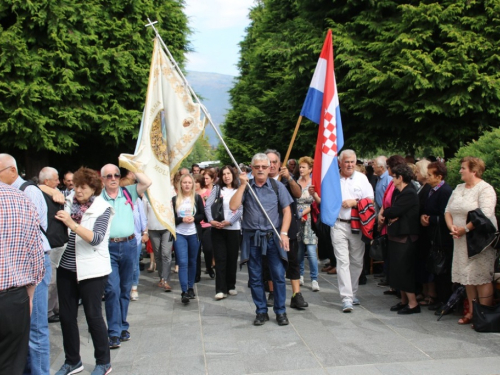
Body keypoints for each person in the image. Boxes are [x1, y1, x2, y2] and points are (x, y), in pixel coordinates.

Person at [0, 153, 60, 375]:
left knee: (35, 328)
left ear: (12, 170)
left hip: (27, 273)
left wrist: (31, 290)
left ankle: (40, 371)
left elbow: (35, 236)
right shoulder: (17, 196)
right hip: (21, 278)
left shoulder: (28, 192)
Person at [52, 167, 115, 375]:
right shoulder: (68, 201)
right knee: (67, 316)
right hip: (66, 267)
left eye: (83, 187)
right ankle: (73, 361)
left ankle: (104, 362)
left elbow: (96, 238)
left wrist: (72, 223)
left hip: (92, 269)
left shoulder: (103, 208)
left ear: (93, 188)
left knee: (93, 315)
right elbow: (45, 188)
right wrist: (52, 190)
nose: (78, 190)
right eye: (76, 186)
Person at [230, 153, 293, 326]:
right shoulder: (247, 186)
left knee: (278, 275)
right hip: (252, 238)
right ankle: (261, 311)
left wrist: (284, 233)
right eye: (256, 167)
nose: (260, 170)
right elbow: (233, 206)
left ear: (269, 168)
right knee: (255, 277)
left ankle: (280, 311)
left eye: (264, 167)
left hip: (273, 237)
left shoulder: (277, 186)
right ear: (252, 168)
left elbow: (287, 211)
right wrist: (242, 186)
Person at [100, 163, 151, 349]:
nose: (113, 178)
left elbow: (147, 181)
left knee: (125, 288)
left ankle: (122, 326)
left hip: (130, 244)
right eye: (108, 176)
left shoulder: (128, 191)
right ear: (102, 179)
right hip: (108, 247)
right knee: (112, 289)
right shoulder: (99, 198)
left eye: (116, 175)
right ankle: (113, 332)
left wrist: (131, 165)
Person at [445, 157, 497, 325]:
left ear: (474, 171)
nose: (460, 171)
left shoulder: (485, 189)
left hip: (478, 242)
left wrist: (465, 229)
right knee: (468, 277)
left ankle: (483, 314)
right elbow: (447, 210)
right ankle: (472, 312)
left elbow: (485, 214)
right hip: (459, 239)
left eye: (463, 168)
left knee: (480, 277)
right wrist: (452, 226)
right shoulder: (459, 188)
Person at [0, 183, 44, 375]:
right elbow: (35, 252)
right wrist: (31, 296)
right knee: (11, 366)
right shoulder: (19, 198)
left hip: (13, 295)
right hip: (13, 299)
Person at [330, 150, 374, 312]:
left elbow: (370, 199)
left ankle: (352, 292)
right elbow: (325, 199)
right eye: (346, 161)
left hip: (357, 225)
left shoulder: (362, 179)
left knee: (356, 261)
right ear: (340, 163)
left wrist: (354, 202)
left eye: (352, 162)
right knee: (342, 261)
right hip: (338, 224)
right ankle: (346, 297)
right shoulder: (333, 178)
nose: (349, 164)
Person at [382, 164, 421, 315]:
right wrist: (390, 214)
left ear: (400, 178)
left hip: (406, 237)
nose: (392, 179)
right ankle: (404, 300)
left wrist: (389, 213)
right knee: (397, 270)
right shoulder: (400, 192)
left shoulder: (409, 193)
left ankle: (413, 303)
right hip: (397, 235)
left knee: (404, 270)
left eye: (394, 177)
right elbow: (392, 211)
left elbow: (394, 210)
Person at [205, 166, 243, 299]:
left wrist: (230, 221)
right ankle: (220, 289)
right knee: (220, 259)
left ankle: (231, 285)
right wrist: (211, 221)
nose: (226, 176)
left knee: (232, 259)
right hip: (218, 229)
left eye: (228, 173)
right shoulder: (217, 189)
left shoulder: (239, 189)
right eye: (224, 174)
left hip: (233, 229)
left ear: (233, 175)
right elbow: (208, 205)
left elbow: (240, 209)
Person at [421, 161, 453, 312]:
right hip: (433, 234)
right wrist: (424, 217)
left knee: (443, 269)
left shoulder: (445, 191)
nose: (427, 178)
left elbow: (444, 214)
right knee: (436, 269)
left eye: (429, 175)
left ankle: (445, 299)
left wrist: (430, 219)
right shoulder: (431, 190)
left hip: (442, 237)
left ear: (439, 176)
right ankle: (439, 298)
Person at [172, 174, 205, 304]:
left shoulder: (197, 198)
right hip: (180, 233)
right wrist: (181, 219)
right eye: (184, 182)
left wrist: (194, 218)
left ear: (193, 185)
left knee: (192, 261)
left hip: (194, 233)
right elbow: (171, 219)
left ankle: (191, 287)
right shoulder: (174, 200)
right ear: (180, 184)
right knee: (183, 262)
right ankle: (184, 290)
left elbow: (202, 215)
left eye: (189, 182)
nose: (187, 185)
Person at [296, 156, 320, 292]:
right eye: (300, 167)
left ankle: (314, 279)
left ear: (310, 169)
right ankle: (300, 275)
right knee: (299, 250)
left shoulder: (314, 183)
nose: (301, 169)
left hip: (310, 219)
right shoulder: (296, 182)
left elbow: (316, 202)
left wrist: (305, 212)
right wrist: (298, 214)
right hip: (298, 219)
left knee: (311, 250)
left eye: (303, 167)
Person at [144, 197, 174, 292]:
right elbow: (144, 214)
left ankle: (166, 280)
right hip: (153, 229)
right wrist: (145, 232)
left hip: (167, 227)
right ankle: (161, 277)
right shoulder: (147, 197)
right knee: (157, 254)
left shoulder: (170, 193)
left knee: (166, 253)